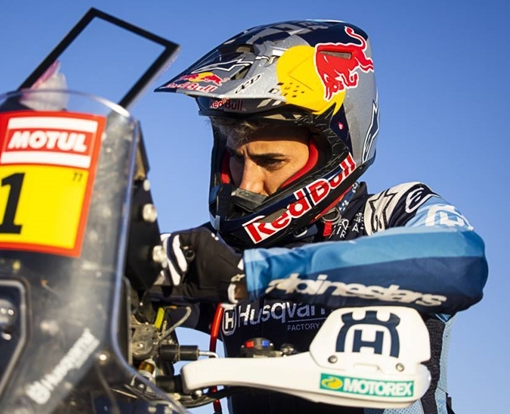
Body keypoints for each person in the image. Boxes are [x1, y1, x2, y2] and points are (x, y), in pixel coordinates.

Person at [153, 20, 488, 414]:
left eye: (271, 161)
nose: (247, 183)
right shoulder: (224, 249)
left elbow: (461, 266)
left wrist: (254, 275)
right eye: (235, 159)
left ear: (331, 152)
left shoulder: (392, 213)